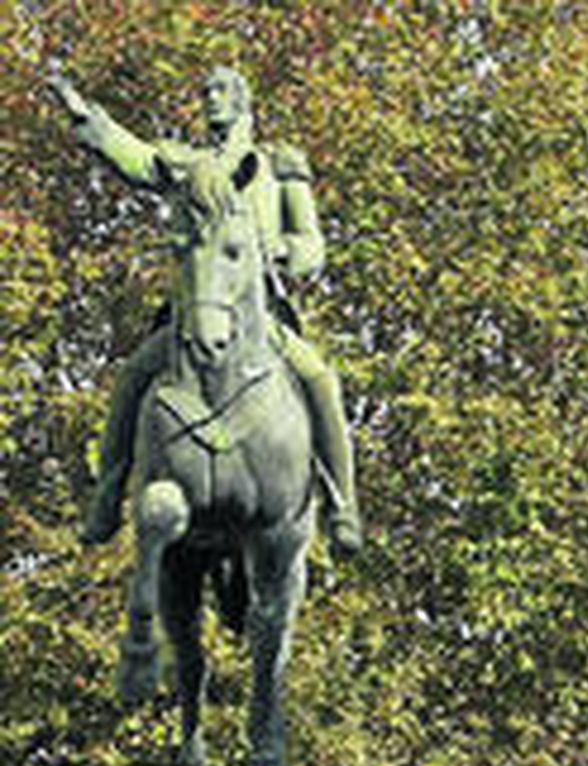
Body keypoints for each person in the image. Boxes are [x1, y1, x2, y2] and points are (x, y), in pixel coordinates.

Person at [48, 66, 363, 552]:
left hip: (260, 315)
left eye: (220, 92)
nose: (210, 100)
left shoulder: (278, 164)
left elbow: (312, 243)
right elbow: (136, 159)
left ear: (242, 101)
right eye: (205, 92)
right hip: (193, 311)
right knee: (133, 376)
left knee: (320, 378)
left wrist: (281, 252)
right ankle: (107, 499)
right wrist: (88, 118)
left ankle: (343, 507)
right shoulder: (187, 165)